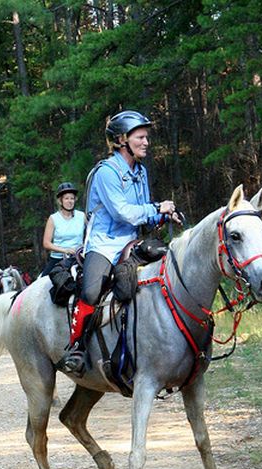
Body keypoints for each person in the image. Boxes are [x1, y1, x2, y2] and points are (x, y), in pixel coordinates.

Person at [62, 109, 181, 376]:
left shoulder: (141, 172)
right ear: (121, 140)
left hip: (131, 241)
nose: (146, 142)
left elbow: (144, 217)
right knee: (91, 292)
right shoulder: (106, 172)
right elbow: (123, 212)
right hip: (104, 244)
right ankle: (77, 347)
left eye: (146, 137)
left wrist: (162, 216)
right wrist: (156, 208)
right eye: (140, 137)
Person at [41, 182, 85, 277]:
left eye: (72, 198)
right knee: (41, 284)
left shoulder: (82, 216)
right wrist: (65, 250)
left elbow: (92, 232)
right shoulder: (53, 218)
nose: (70, 201)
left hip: (78, 258)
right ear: (60, 201)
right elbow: (46, 243)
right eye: (66, 198)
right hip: (58, 259)